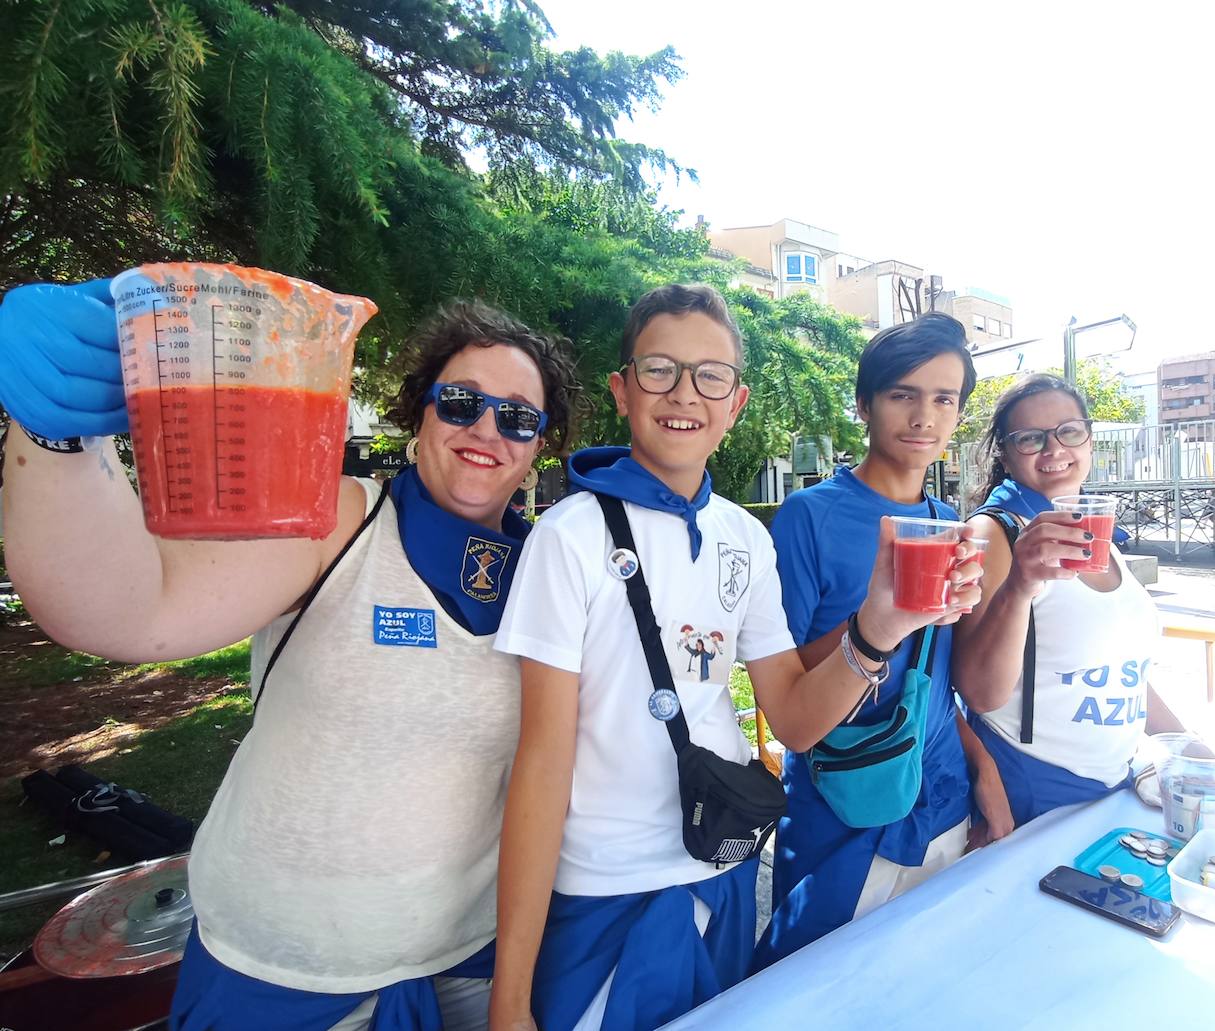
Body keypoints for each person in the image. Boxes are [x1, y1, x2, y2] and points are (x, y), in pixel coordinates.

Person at [0, 279, 579, 1031]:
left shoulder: (552, 571)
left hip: (468, 966)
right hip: (280, 981)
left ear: (540, 445)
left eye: (519, 417)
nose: (488, 428)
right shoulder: (339, 518)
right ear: (420, 410)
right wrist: (58, 438)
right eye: (462, 401)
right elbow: (130, 609)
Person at [486, 285, 981, 1031]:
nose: (685, 393)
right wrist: (509, 996)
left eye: (710, 375)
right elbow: (541, 760)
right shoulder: (569, 534)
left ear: (738, 400)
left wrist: (880, 627)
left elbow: (796, 719)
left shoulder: (742, 536)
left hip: (722, 871)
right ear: (622, 390)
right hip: (605, 891)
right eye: (660, 370)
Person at [752, 313, 1012, 973]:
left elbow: (936, 680)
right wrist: (883, 618)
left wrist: (982, 766)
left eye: (944, 398)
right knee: (818, 993)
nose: (925, 415)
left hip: (943, 799)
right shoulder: (808, 518)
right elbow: (799, 702)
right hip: (844, 816)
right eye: (903, 393)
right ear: (864, 404)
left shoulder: (948, 522)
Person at [955, 373, 1185, 828]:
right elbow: (980, 694)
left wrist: (1186, 743)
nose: (1055, 449)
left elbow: (1124, 672)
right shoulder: (995, 533)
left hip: (1112, 782)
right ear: (1004, 451)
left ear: (1090, 439)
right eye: (1031, 438)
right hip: (1033, 783)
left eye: (1069, 431)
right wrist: (1021, 585)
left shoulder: (1100, 537)